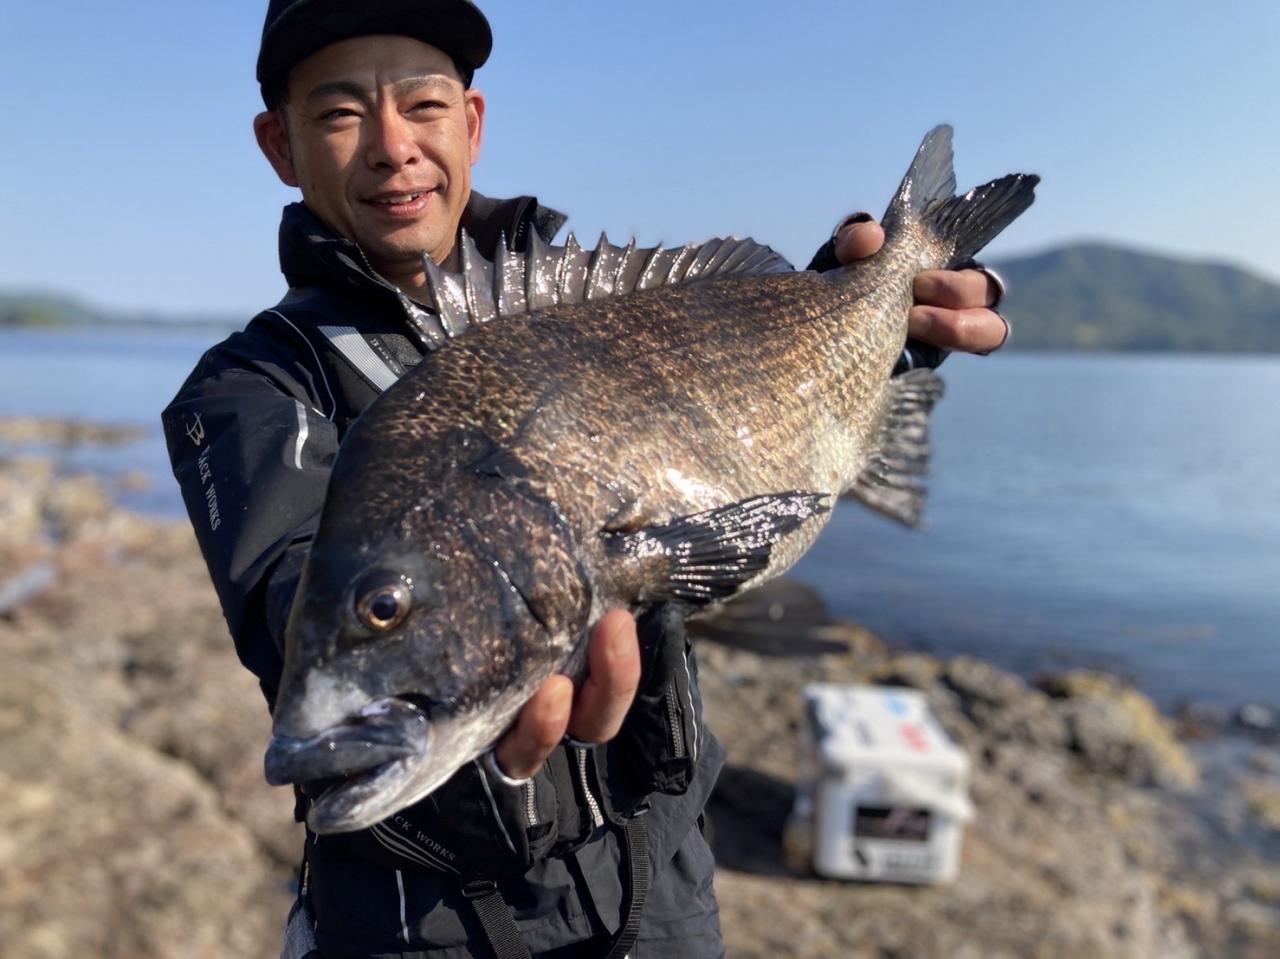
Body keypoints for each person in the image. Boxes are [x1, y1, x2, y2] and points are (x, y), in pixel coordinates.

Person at [163, 2, 1011, 956]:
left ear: (471, 124)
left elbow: (744, 405)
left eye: (424, 105)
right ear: (280, 144)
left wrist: (884, 322)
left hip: (666, 893)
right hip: (420, 926)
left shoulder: (573, 307)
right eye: (340, 113)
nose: (394, 146)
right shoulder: (251, 391)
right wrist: (459, 673)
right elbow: (291, 604)